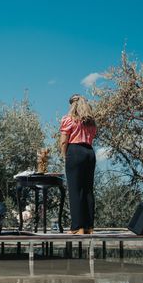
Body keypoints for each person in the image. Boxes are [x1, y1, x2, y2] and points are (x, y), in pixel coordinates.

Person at [59, 94, 98, 234]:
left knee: (75, 189)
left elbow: (64, 140)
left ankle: (77, 227)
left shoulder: (68, 119)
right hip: (89, 152)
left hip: (75, 151)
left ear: (72, 105)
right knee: (88, 190)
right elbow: (92, 137)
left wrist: (64, 154)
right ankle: (89, 227)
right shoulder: (91, 122)